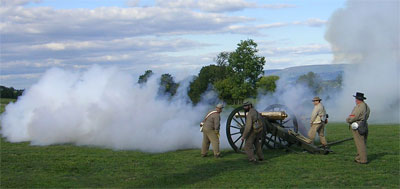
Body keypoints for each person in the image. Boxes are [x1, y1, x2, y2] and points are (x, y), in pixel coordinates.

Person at [346, 92, 370, 164]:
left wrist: (348, 119)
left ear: (358, 99)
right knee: (362, 142)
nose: (355, 100)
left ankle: (363, 160)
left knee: (360, 143)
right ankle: (358, 158)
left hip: (358, 125)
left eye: (356, 99)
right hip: (364, 124)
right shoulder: (366, 106)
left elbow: (354, 116)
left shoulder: (359, 106)